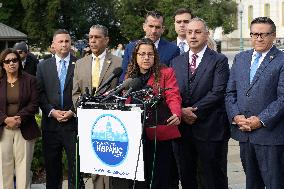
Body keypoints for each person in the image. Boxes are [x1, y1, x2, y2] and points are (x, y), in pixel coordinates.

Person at [170, 17, 230, 189]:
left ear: (206, 34)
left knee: (212, 179)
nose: (193, 36)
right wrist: (181, 111)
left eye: (197, 32)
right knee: (187, 178)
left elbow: (218, 92)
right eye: (189, 32)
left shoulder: (219, 60)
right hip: (183, 133)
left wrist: (193, 111)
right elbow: (171, 93)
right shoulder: (176, 62)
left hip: (210, 130)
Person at [225, 17, 284, 189]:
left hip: (271, 136)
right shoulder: (240, 58)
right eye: (255, 34)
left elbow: (282, 98)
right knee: (252, 184)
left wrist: (260, 120)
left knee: (275, 184)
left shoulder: (281, 60)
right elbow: (230, 93)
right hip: (244, 135)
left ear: (273, 36)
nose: (259, 38)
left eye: (264, 34)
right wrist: (236, 116)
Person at [125, 38, 182, 189]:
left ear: (155, 57)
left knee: (159, 180)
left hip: (159, 135)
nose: (146, 57)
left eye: (150, 54)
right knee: (139, 181)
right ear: (135, 56)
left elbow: (173, 96)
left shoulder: (166, 73)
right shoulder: (130, 78)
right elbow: (126, 101)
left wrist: (176, 113)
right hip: (136, 136)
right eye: (142, 54)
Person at [72, 24, 122, 189]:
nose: (92, 41)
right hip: (89, 123)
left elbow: (123, 91)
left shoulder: (118, 62)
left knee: (111, 166)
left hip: (111, 123)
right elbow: (75, 93)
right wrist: (84, 107)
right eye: (90, 37)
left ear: (106, 40)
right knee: (95, 167)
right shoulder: (80, 63)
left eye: (97, 37)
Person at [37, 29, 78, 189]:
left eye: (67, 41)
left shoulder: (80, 63)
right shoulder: (43, 66)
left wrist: (72, 111)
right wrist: (51, 111)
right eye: (60, 41)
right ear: (53, 45)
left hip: (72, 124)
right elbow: (39, 93)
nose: (64, 44)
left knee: (75, 167)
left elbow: (83, 91)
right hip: (50, 125)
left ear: (70, 43)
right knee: (52, 168)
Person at [0, 48, 40, 189]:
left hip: (25, 128)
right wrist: (6, 119)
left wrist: (19, 118)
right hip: (3, 130)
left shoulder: (30, 80)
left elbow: (34, 104)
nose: (12, 63)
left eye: (15, 60)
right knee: (4, 168)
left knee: (23, 168)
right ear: (3, 65)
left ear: (19, 62)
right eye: (7, 61)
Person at [121, 10, 180, 81]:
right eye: (151, 26)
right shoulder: (130, 47)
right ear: (144, 27)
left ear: (163, 29)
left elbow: (174, 79)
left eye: (157, 27)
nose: (154, 31)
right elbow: (123, 76)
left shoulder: (173, 50)